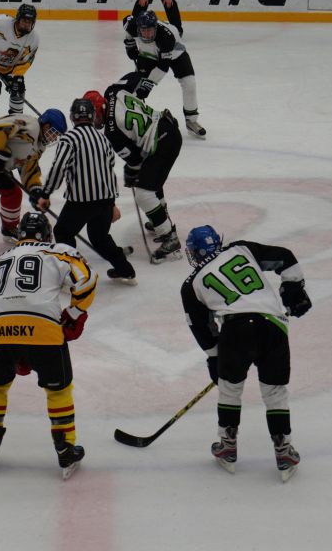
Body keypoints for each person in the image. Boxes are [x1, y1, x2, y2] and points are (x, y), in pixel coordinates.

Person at [0, 211, 97, 479]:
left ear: (19, 235)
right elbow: (87, 279)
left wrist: (14, 345)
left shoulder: (0, 258)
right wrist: (74, 313)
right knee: (58, 391)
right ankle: (65, 448)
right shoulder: (59, 251)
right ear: (47, 234)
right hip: (43, 330)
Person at [181, 225, 312, 481]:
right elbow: (285, 257)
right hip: (273, 325)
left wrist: (215, 356)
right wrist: (293, 290)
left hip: (235, 330)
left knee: (230, 388)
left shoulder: (191, 284)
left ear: (194, 253)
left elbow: (200, 326)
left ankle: (227, 446)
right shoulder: (241, 248)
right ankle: (284, 450)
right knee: (274, 391)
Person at [33, 98, 136, 285]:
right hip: (104, 201)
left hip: (80, 202)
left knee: (63, 232)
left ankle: (72, 275)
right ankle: (126, 271)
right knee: (100, 238)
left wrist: (45, 194)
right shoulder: (103, 139)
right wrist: (111, 204)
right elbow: (109, 171)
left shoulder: (69, 139)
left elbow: (58, 169)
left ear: (73, 117)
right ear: (93, 116)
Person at [0, 108, 67, 276]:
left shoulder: (39, 145)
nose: (54, 138)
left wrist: (36, 190)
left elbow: (29, 168)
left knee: (13, 193)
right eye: (53, 132)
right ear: (45, 125)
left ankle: (9, 229)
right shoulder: (30, 126)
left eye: (57, 135)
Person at [101, 72, 183, 263]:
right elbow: (137, 77)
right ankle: (161, 219)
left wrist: (131, 172)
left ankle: (169, 237)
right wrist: (142, 92)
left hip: (161, 144)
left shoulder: (111, 132)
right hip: (168, 127)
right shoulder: (112, 91)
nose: (94, 120)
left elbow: (136, 161)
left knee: (144, 193)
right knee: (150, 180)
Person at [123, 10, 206, 139]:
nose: (147, 34)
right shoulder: (132, 25)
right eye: (143, 31)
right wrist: (130, 45)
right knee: (137, 84)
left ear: (156, 28)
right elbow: (127, 25)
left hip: (176, 53)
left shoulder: (166, 37)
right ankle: (133, 118)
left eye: (150, 30)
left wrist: (149, 83)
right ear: (138, 28)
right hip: (149, 54)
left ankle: (191, 120)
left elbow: (163, 66)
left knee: (189, 83)